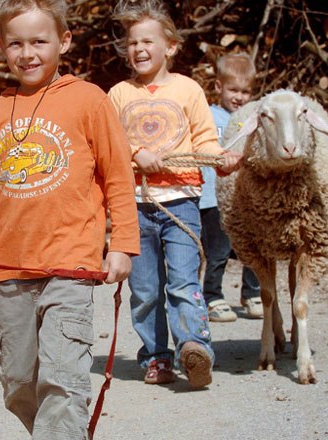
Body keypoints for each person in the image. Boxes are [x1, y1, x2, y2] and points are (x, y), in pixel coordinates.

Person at [0, 0, 140, 438]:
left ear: (64, 41)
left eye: (39, 41)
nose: (28, 53)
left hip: (70, 269)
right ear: (2, 47)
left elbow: (117, 174)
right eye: (16, 43)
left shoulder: (88, 101)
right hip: (10, 272)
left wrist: (122, 244)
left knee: (62, 380)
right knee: (18, 384)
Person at [107, 0, 242, 388]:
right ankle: (156, 357)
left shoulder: (188, 89)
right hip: (134, 205)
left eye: (148, 41)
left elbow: (204, 140)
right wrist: (136, 153)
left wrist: (222, 160)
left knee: (183, 282)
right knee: (145, 290)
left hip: (181, 202)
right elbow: (110, 144)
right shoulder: (118, 94)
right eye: (133, 43)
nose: (139, 49)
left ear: (171, 47)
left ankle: (194, 349)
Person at [199, 52, 264, 322]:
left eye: (246, 91)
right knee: (218, 251)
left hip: (243, 197)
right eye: (233, 90)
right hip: (212, 198)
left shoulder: (253, 119)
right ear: (218, 87)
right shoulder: (208, 116)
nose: (239, 97)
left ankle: (253, 293)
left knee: (254, 247)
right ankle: (212, 296)